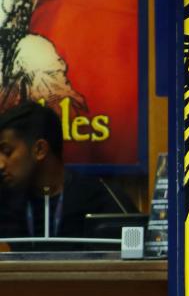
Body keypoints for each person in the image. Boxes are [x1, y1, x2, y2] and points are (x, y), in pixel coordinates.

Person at [0, 101, 125, 246]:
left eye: (7, 152)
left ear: (40, 150)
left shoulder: (101, 199)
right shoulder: (5, 201)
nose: (1, 164)